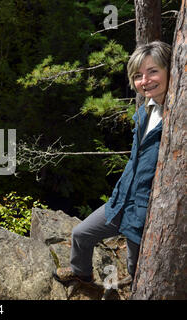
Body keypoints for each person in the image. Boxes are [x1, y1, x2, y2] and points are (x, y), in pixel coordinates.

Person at [53, 40, 172, 286]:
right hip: (121, 199)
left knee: (136, 266)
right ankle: (82, 273)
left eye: (153, 71)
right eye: (138, 75)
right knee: (81, 234)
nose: (145, 80)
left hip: (145, 208)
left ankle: (133, 284)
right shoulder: (144, 112)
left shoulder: (176, 118)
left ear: (171, 70)